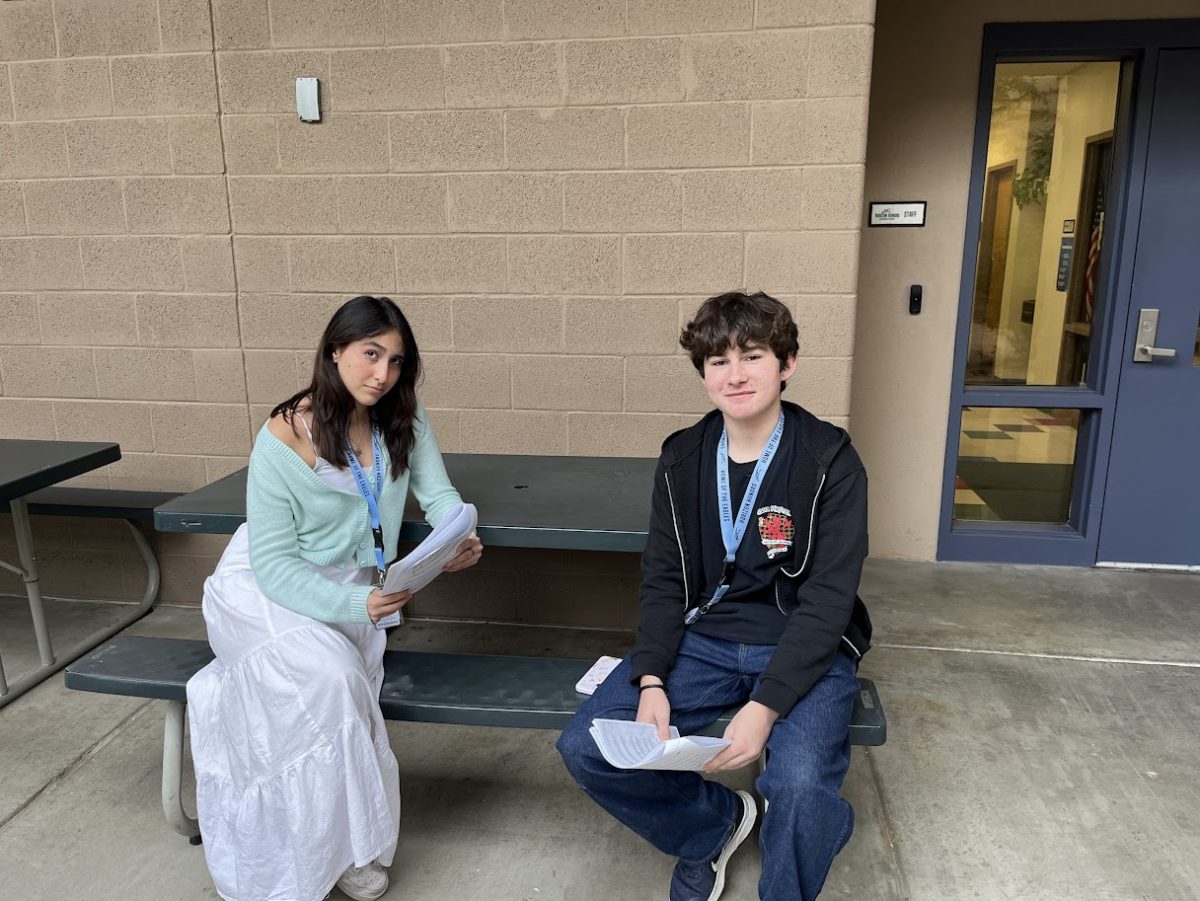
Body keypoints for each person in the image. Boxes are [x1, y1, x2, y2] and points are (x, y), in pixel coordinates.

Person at [556, 291, 872, 901]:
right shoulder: (683, 457)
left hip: (805, 644)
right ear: (703, 374)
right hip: (705, 642)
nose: (735, 375)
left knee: (801, 788)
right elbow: (663, 579)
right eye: (718, 361)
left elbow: (830, 600)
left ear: (788, 364)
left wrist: (766, 707)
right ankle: (715, 829)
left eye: (751, 356)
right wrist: (650, 679)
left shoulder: (830, 459)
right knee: (587, 746)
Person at [187, 295, 484, 901]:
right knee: (328, 680)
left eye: (397, 361)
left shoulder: (403, 416)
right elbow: (271, 563)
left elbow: (440, 495)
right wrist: (355, 608)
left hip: (356, 585)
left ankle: (351, 846)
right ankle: (308, 852)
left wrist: (459, 535)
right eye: (370, 354)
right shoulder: (282, 438)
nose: (383, 374)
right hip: (267, 587)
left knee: (339, 683)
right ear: (334, 352)